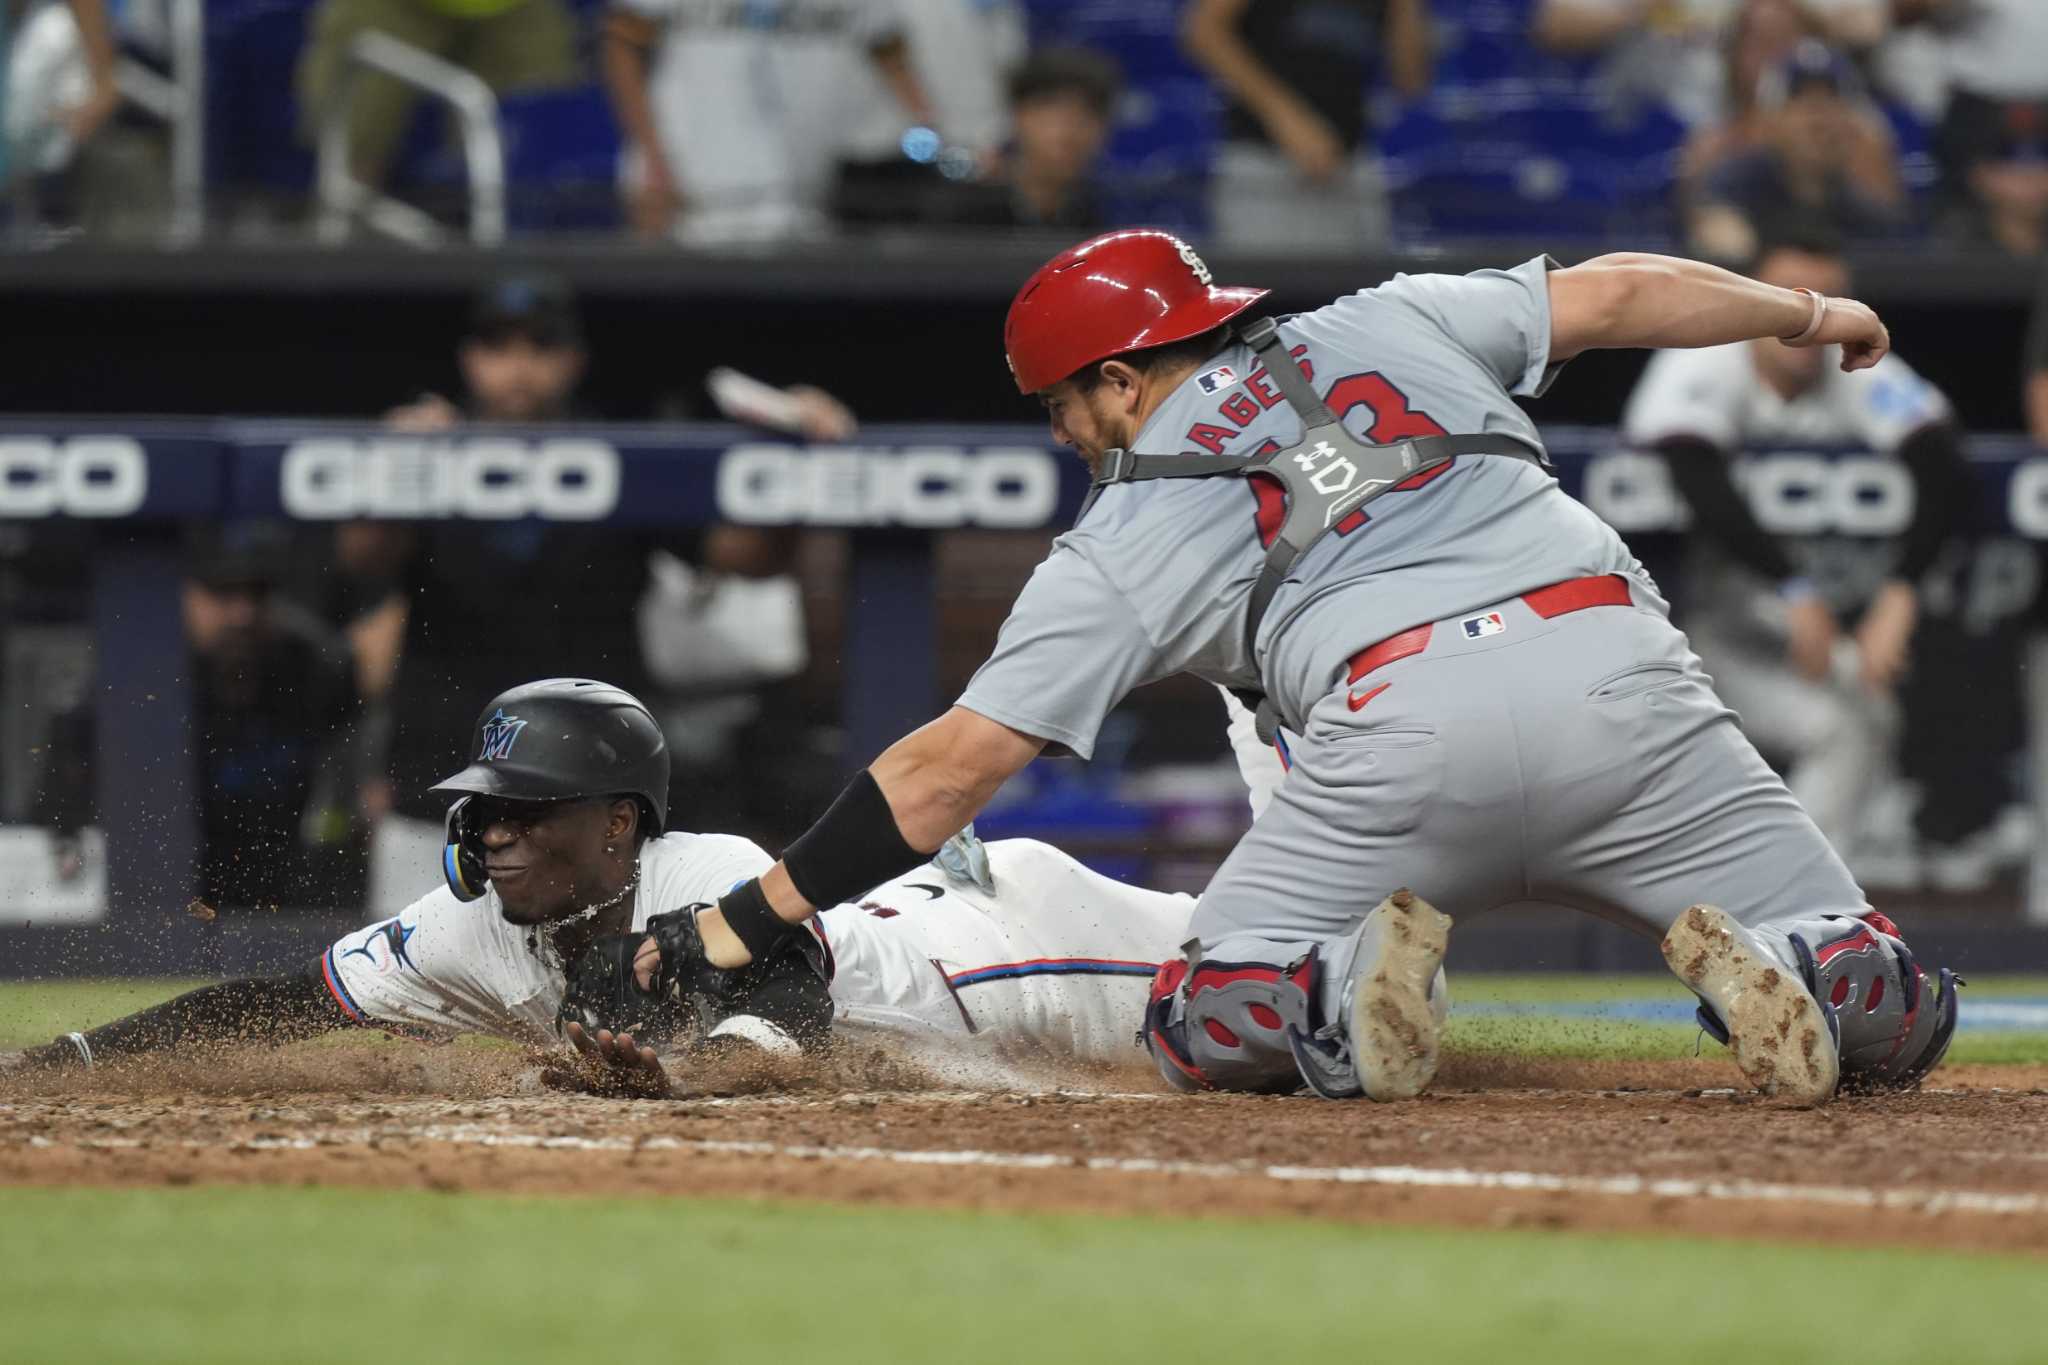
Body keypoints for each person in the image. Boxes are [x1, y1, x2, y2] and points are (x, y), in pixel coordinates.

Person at [657, 227, 1962, 1111]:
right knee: (1886, 991)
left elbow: (950, 770)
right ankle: (1821, 974)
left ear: (1121, 381)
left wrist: (746, 919)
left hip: (1404, 750)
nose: (1063, 437)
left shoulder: (1127, 525)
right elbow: (1619, 294)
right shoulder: (1391, 318)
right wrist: (1810, 310)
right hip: (1628, 687)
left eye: (1060, 407)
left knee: (1206, 1009)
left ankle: (1332, 998)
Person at [2, 678, 1275, 1094]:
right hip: (941, 955)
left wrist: (694, 1071)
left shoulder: (704, 872)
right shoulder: (468, 925)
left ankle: (1303, 768)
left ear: (618, 825)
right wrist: (69, 1057)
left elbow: (791, 1022)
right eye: (481, 813)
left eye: (526, 813)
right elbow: (278, 1000)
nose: (492, 836)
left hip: (999, 953)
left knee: (1269, 986)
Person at [347, 273, 850, 920]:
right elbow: (361, 557)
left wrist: (791, 456)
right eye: (500, 346)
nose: (520, 366)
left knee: (602, 998)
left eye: (541, 345)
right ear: (471, 358)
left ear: (572, 359)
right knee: (404, 997)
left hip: (588, 798)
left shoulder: (621, 454)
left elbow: (746, 558)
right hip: (440, 780)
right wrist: (392, 468)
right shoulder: (428, 449)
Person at [1621, 224, 1995, 888]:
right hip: (1675, 637)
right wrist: (1794, 589)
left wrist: (1901, 592)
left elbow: (1944, 467)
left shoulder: (1849, 361)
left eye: (1829, 297)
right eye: (1792, 297)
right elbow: (1694, 474)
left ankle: (1802, 908)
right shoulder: (1708, 352)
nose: (1810, 316)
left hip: (1789, 634)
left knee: (1858, 717)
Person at [32, 523, 361, 910]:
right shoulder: (138, 679)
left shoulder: (310, 667)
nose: (242, 614)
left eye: (256, 595)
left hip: (280, 890)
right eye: (222, 594)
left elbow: (352, 757)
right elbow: (58, 795)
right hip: (155, 891)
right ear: (184, 596)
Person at [600, 0, 932, 243]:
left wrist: (931, 137)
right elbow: (621, 45)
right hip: (695, 201)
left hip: (809, 204)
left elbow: (890, 54)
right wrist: (652, 160)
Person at [1182, 0, 1432, 254]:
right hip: (1264, 161)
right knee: (1267, 287)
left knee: (1361, 289)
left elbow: (1411, 81)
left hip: (1350, 162)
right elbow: (1204, 32)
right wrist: (1285, 117)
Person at [294, 0, 579, 191]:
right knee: (355, 138)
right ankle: (344, 251)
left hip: (514, 9)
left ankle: (519, 271)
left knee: (540, 143)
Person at [1685, 40, 1906, 260]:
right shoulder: (1736, 181)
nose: (1819, 121)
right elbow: (1720, 238)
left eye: (1830, 104)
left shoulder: (1858, 203)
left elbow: (1892, 253)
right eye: (1805, 105)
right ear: (1771, 118)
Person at [928, 47, 1120, 232]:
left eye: (1088, 113)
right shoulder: (963, 213)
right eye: (1053, 111)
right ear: (1018, 115)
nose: (1070, 131)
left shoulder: (1106, 216)